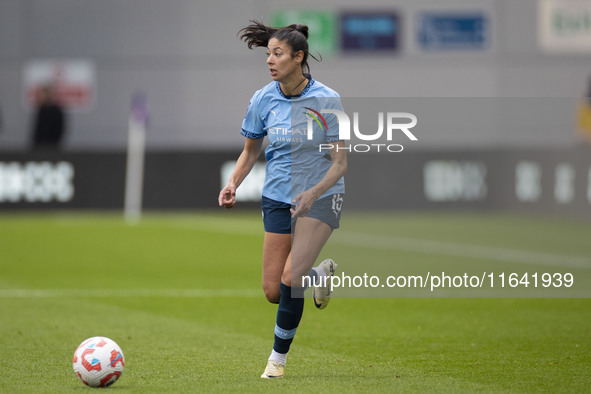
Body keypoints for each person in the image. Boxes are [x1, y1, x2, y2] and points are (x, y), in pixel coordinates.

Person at [218, 20, 347, 379]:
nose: (270, 61)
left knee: (291, 277)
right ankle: (319, 275)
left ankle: (277, 360)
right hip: (276, 198)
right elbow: (249, 151)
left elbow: (340, 164)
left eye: (277, 54)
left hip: (321, 198)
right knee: (274, 290)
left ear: (299, 57)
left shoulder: (327, 99)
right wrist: (232, 183)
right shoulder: (263, 98)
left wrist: (314, 193)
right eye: (268, 54)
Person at [31, 84, 67, 150]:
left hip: (52, 146)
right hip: (39, 146)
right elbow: (37, 129)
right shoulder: (41, 110)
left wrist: (53, 142)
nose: (41, 96)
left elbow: (59, 129)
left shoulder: (56, 111)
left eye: (43, 94)